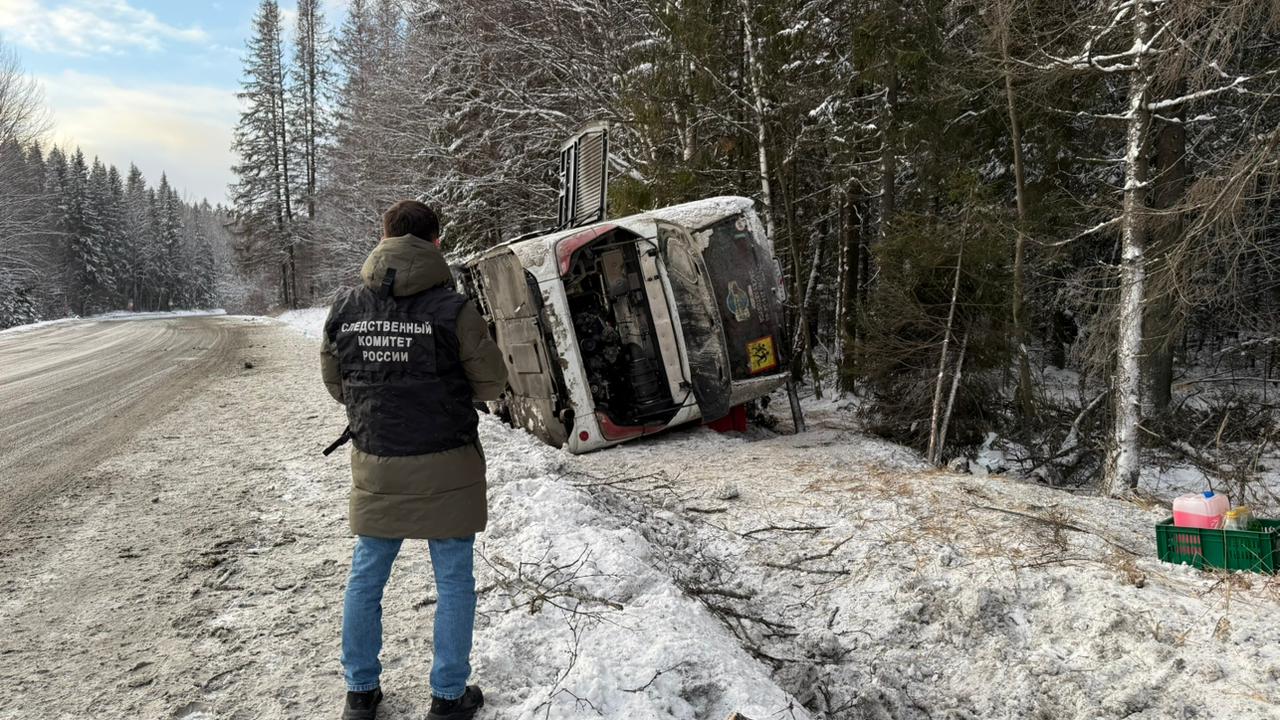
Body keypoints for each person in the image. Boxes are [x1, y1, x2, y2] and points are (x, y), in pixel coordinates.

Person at [321, 200, 508, 720]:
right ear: (437, 242)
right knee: (453, 581)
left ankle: (360, 695)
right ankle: (448, 699)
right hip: (448, 463)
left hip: (378, 460)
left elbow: (338, 386)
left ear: (383, 236)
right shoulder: (455, 309)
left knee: (366, 577)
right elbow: (493, 383)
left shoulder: (345, 307)